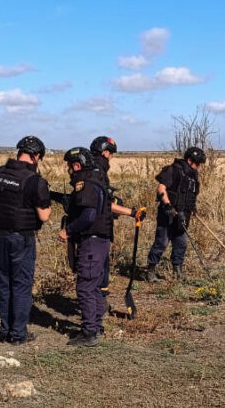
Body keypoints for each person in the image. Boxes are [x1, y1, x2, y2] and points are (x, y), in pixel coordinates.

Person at [0, 136, 52, 345]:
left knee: (4, 283)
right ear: (37, 156)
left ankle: (5, 330)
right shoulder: (34, 181)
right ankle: (18, 334)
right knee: (21, 285)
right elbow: (44, 216)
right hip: (21, 238)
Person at [57, 147, 113, 347]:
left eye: (69, 166)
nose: (67, 170)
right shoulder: (97, 181)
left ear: (77, 165)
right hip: (100, 242)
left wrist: (68, 230)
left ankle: (89, 332)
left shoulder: (87, 185)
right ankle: (96, 326)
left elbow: (88, 216)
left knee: (85, 287)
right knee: (95, 286)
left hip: (92, 242)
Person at [88, 136, 146, 305]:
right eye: (111, 154)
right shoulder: (97, 170)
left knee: (101, 264)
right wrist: (131, 212)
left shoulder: (94, 168)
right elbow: (102, 203)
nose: (111, 158)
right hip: (96, 229)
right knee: (98, 267)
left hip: (98, 227)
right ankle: (97, 304)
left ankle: (99, 299)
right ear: (105, 152)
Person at [142, 146, 205, 281]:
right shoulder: (173, 170)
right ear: (189, 160)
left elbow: (190, 195)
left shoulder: (193, 176)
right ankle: (151, 271)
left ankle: (178, 272)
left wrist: (192, 208)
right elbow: (161, 188)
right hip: (168, 214)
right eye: (197, 163)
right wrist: (168, 205)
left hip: (183, 215)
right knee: (162, 242)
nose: (199, 167)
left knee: (180, 243)